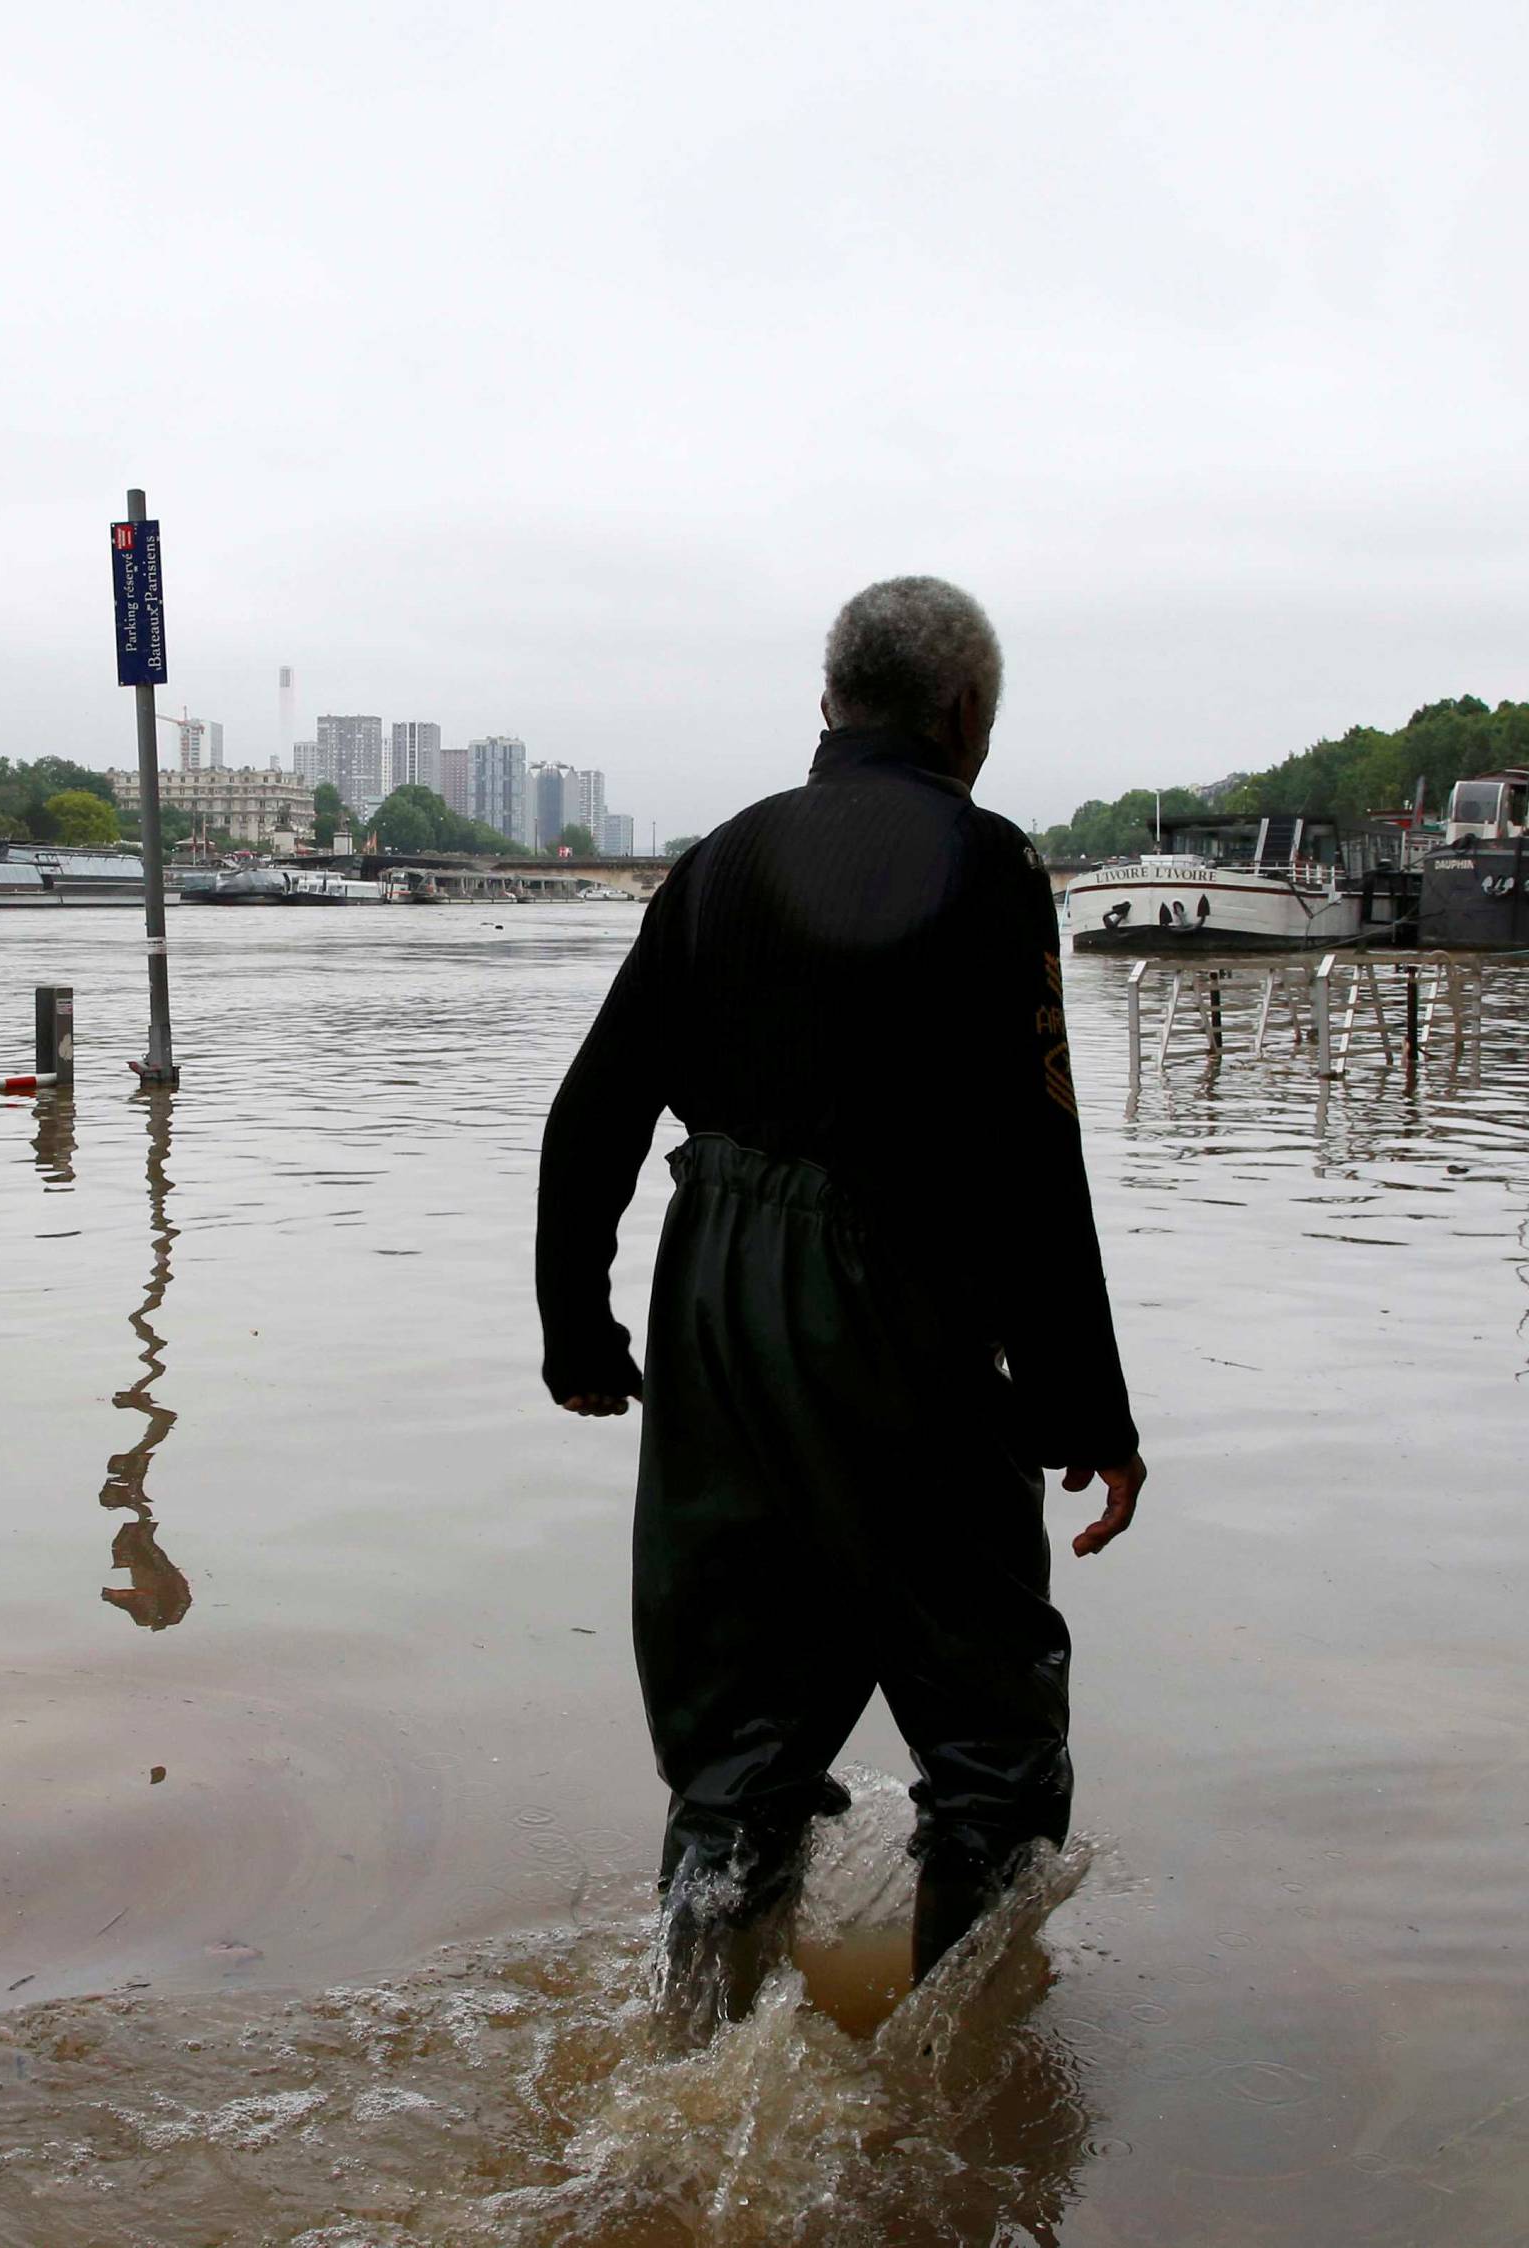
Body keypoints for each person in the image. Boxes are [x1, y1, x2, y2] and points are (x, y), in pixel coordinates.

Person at [533, 576, 1146, 2025]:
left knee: (737, 1738)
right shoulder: (988, 866)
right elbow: (1030, 1161)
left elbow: (592, 1113)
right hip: (894, 1296)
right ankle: (958, 2099)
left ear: (829, 707)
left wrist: (581, 1329)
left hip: (712, 1292)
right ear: (963, 714)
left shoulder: (719, 864)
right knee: (990, 1735)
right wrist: (1086, 1411)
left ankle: (688, 2060)